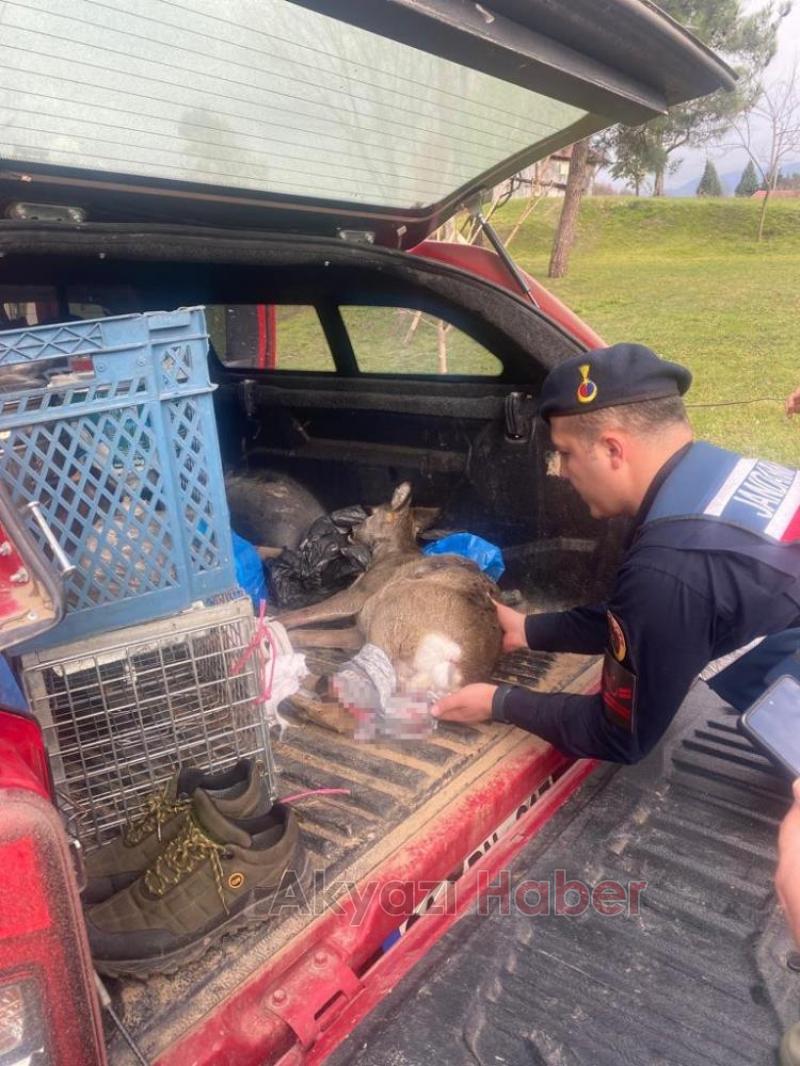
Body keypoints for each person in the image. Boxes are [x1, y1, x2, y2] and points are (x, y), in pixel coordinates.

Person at [432, 343, 800, 765]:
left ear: (613, 449)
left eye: (566, 453)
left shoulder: (669, 566)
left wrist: (499, 702)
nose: (561, 471)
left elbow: (618, 735)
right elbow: (646, 619)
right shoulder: (718, 472)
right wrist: (530, 630)